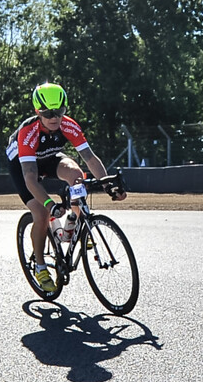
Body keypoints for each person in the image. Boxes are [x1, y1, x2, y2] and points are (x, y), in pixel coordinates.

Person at [7, 82, 125, 288]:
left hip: (50, 157)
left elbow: (89, 157)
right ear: (38, 111)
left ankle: (76, 223)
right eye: (48, 113)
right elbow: (30, 178)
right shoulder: (28, 132)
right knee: (42, 213)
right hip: (24, 166)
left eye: (59, 112)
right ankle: (41, 268)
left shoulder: (68, 125)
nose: (54, 118)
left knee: (77, 175)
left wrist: (107, 185)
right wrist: (49, 204)